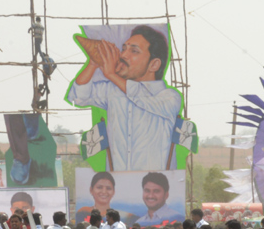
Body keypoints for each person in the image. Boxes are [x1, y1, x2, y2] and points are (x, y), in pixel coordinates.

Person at [68, 25, 180, 171]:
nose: (123, 55)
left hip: (152, 188)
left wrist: (112, 76)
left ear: (154, 64)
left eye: (133, 51)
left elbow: (141, 98)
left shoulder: (170, 97)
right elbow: (79, 97)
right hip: (117, 186)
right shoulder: (113, 91)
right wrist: (93, 64)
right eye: (124, 49)